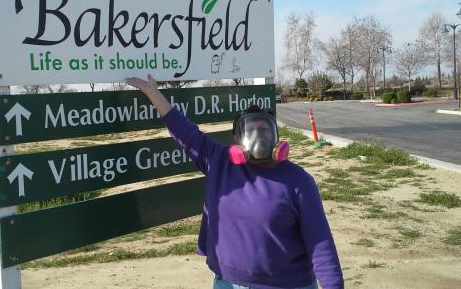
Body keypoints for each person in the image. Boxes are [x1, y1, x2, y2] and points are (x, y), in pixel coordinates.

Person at [126, 75, 344, 289]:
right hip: (226, 282)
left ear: (277, 137)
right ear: (237, 139)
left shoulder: (298, 181)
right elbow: (185, 132)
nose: (259, 136)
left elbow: (320, 244)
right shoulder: (218, 161)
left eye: (265, 129)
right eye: (251, 130)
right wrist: (154, 94)